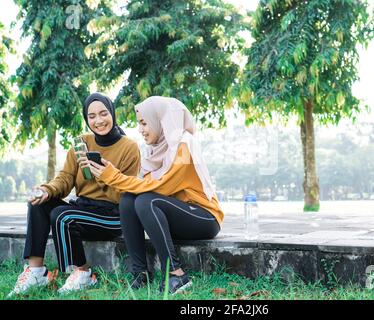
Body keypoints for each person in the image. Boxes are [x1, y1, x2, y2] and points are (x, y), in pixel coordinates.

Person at [87, 96, 224, 294]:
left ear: (160, 121)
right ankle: (140, 273)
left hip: (203, 217)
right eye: (138, 124)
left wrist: (113, 176)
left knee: (145, 201)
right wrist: (107, 175)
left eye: (144, 123)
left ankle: (177, 275)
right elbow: (139, 185)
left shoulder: (184, 145)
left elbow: (160, 187)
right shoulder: (154, 149)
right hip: (174, 216)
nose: (140, 130)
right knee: (128, 200)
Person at [8, 93, 140, 297]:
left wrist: (105, 174)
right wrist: (46, 190)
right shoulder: (81, 144)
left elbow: (125, 194)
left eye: (104, 113)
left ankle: (84, 273)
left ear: (112, 113)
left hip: (113, 215)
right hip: (84, 208)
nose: (99, 120)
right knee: (38, 204)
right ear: (87, 119)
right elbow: (65, 178)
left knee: (63, 215)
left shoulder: (129, 147)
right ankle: (36, 271)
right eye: (92, 116)